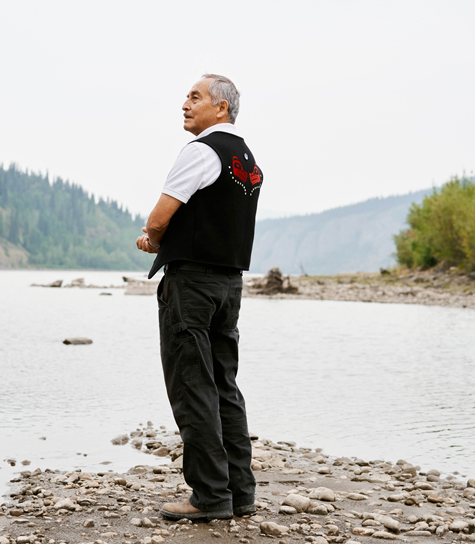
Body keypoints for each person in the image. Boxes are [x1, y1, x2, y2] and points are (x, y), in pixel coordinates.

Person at [135, 74, 263, 521]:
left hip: (191, 285)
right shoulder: (246, 158)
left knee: (194, 387)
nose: (185, 103)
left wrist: (152, 239)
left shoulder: (202, 151)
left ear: (221, 108)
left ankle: (210, 496)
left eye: (195, 97)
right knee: (224, 386)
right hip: (230, 285)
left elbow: (160, 216)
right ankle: (240, 493)